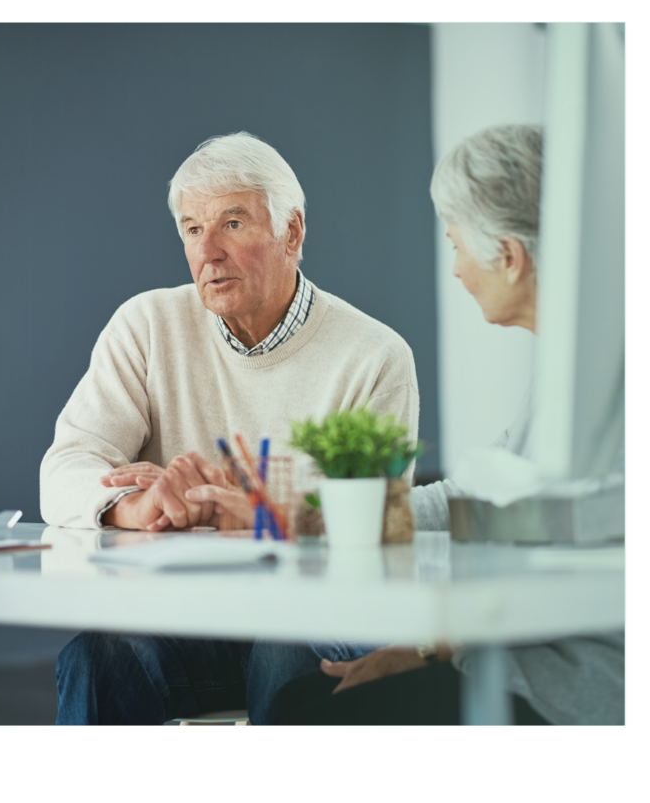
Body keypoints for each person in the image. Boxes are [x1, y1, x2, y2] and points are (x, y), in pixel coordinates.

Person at [42, 132, 420, 725]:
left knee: (284, 646)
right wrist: (135, 506)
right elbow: (66, 467)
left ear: (292, 232)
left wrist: (257, 512)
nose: (208, 252)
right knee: (98, 655)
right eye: (193, 229)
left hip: (314, 623)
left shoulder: (373, 356)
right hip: (187, 622)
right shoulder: (146, 327)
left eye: (233, 224)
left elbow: (377, 527)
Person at [266, 124, 625, 726]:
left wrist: (430, 647)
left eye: (456, 244)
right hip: (516, 660)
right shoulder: (566, 367)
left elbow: (567, 541)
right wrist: (328, 515)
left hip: (568, 690)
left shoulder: (601, 378)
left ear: (508, 257)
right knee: (295, 699)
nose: (455, 269)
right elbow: (479, 498)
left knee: (301, 713)